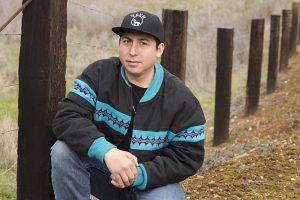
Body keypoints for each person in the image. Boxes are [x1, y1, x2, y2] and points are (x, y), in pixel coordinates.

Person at [51, 10, 206, 200]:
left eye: (143, 43)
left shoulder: (182, 100)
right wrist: (108, 152)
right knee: (62, 151)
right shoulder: (100, 74)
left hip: (151, 185)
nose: (133, 51)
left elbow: (188, 156)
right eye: (127, 41)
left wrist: (139, 175)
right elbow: (67, 116)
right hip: (104, 173)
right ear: (119, 43)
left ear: (159, 50)